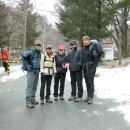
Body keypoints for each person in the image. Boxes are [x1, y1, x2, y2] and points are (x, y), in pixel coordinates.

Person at [22, 41, 42, 108]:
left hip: (37, 71)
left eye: (39, 45)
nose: (38, 46)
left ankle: (32, 98)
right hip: (31, 71)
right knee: (30, 86)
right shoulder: (31, 52)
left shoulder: (39, 53)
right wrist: (26, 66)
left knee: (35, 86)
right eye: (37, 45)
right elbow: (23, 56)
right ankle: (28, 101)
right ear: (34, 46)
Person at [82, 35, 99, 104]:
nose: (85, 41)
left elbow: (96, 59)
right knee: (86, 82)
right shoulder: (84, 48)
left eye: (86, 40)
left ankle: (91, 97)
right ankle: (88, 96)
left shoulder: (92, 48)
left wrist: (94, 69)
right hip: (85, 68)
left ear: (89, 41)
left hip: (91, 67)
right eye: (84, 40)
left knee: (90, 82)